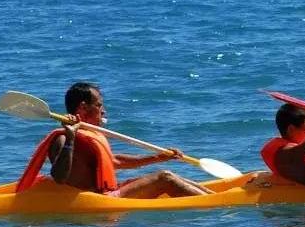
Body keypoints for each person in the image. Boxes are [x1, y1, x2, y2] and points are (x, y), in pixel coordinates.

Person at [42, 82, 213, 198]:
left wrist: (158, 157)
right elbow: (59, 177)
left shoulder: (89, 134)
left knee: (170, 175)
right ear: (83, 108)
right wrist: (70, 138)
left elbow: (114, 161)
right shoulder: (63, 138)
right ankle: (218, 204)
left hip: (107, 193)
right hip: (97, 199)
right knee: (165, 178)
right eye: (99, 105)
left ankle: (215, 196)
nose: (103, 111)